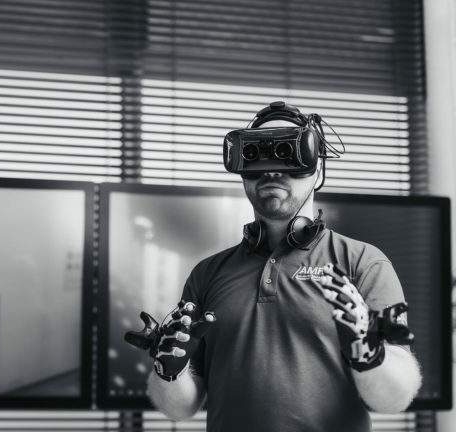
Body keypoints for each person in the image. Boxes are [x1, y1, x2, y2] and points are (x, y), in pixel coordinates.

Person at [128, 102, 422, 432]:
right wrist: (169, 370)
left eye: (287, 151)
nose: (271, 169)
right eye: (256, 154)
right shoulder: (207, 274)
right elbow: (182, 408)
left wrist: (369, 357)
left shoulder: (363, 263)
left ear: (319, 168)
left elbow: (395, 399)